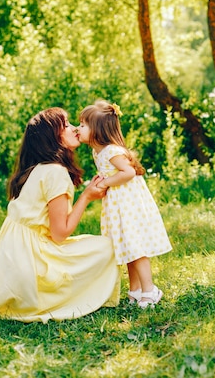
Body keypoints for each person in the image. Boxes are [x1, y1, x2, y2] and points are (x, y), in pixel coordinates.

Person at [0, 107, 120, 323]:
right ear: (52, 137)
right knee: (105, 248)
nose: (74, 129)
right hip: (31, 267)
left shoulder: (38, 169)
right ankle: (55, 296)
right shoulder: (56, 172)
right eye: (66, 125)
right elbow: (60, 234)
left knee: (89, 246)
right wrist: (87, 197)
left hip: (10, 268)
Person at [78, 99, 172, 309]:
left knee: (136, 247)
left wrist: (106, 183)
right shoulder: (98, 152)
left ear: (97, 130)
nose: (78, 128)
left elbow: (128, 172)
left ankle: (150, 290)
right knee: (128, 247)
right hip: (118, 205)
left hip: (129, 204)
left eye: (83, 125)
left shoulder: (112, 151)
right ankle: (135, 290)